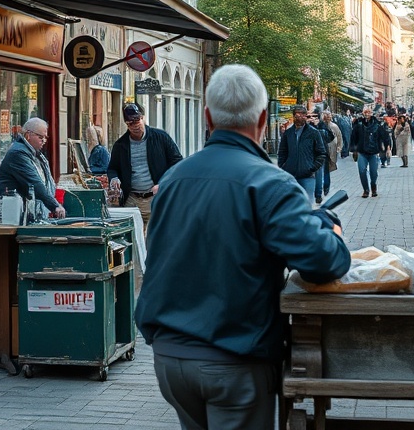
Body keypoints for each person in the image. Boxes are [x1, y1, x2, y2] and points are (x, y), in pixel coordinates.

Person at [135, 65, 351, 430]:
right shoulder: (270, 182)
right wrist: (331, 232)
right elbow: (323, 261)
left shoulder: (173, 179)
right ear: (263, 119)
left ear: (208, 117)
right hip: (233, 357)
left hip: (170, 357)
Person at [107, 102, 182, 230]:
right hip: (132, 200)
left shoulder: (161, 138)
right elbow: (112, 168)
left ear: (143, 118)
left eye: (137, 120)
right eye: (130, 123)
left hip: (155, 198)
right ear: (126, 124)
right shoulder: (120, 145)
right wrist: (114, 179)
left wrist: (163, 184)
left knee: (156, 239)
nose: (135, 125)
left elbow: (177, 162)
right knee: (134, 242)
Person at [0, 117, 66, 219]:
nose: (44, 141)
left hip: (18, 211)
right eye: (40, 137)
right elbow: (35, 182)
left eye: (45, 137)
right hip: (4, 212)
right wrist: (54, 206)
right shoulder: (18, 153)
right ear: (28, 135)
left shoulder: (35, 154)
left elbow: (46, 182)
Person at [277, 105, 327, 200]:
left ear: (305, 116)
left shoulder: (313, 133)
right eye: (297, 115)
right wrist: (283, 166)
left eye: (302, 115)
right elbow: (282, 151)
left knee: (307, 205)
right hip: (291, 175)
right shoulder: (288, 133)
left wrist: (312, 167)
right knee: (292, 204)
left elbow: (321, 153)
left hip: (307, 175)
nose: (299, 117)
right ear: (294, 116)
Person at [349, 106, 391, 198]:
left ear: (371, 113)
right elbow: (353, 137)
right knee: (362, 170)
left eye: (369, 112)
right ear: (363, 113)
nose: (367, 114)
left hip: (373, 152)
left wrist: (388, 148)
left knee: (373, 172)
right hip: (362, 152)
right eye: (365, 112)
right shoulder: (358, 124)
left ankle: (373, 186)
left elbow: (385, 136)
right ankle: (366, 190)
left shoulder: (377, 124)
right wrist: (353, 150)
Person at [321, 110, 343, 196]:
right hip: (321, 150)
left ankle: (326, 187)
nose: (327, 117)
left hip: (331, 150)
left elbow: (339, 136)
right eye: (325, 115)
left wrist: (339, 147)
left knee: (327, 169)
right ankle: (322, 187)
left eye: (328, 115)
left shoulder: (334, 126)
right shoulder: (319, 126)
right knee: (323, 170)